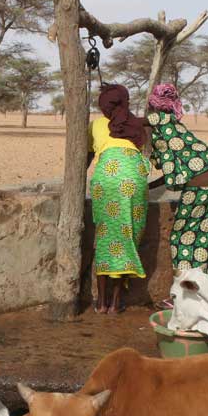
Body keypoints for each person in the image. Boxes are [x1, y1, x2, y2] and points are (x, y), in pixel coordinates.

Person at [145, 83, 208, 281]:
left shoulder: (160, 119)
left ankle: (183, 292)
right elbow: (180, 170)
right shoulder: (176, 126)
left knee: (183, 237)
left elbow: (131, 122)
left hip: (200, 185)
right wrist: (149, 187)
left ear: (154, 105)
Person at [89, 84, 150, 314]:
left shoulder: (95, 124)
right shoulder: (135, 123)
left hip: (106, 178)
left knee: (105, 235)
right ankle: (116, 303)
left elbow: (86, 158)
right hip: (133, 178)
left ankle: (101, 303)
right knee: (128, 236)